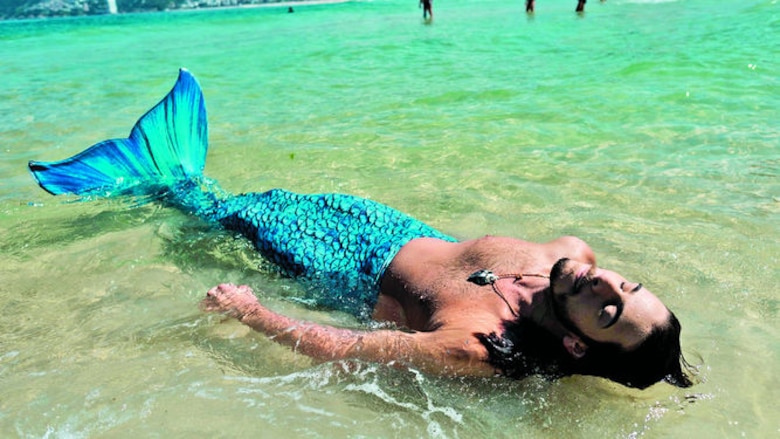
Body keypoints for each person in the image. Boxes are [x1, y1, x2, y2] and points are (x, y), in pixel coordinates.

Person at [29, 69, 692, 390]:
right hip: (384, 221)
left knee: (211, 210)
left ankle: (143, 178)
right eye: (629, 286)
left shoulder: (477, 345)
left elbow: (347, 347)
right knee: (257, 197)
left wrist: (252, 314)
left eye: (609, 312)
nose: (607, 285)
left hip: (337, 265)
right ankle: (160, 170)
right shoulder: (571, 254)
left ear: (576, 345)